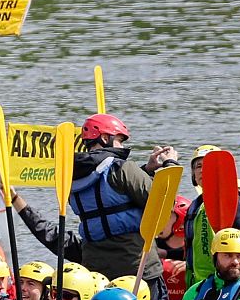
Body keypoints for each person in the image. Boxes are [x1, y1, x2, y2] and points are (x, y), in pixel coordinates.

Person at [66, 114, 176, 289]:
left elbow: (109, 195)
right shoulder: (123, 168)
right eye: (119, 140)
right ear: (104, 138)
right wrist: (170, 164)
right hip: (137, 269)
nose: (122, 146)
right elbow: (163, 203)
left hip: (96, 271)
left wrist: (146, 170)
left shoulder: (71, 177)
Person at [180, 145, 240, 290]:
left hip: (227, 283)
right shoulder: (197, 204)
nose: (202, 170)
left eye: (207, 165)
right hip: (201, 284)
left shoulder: (234, 198)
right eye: (198, 166)